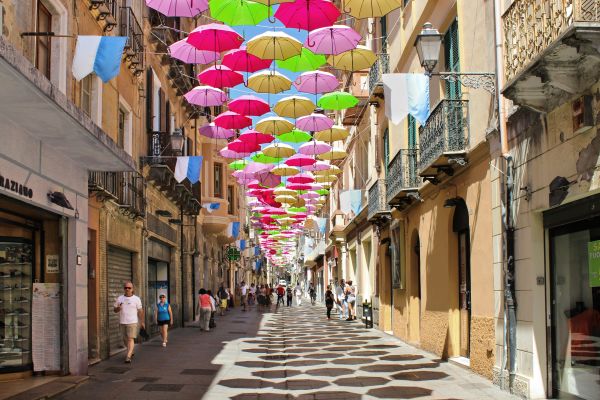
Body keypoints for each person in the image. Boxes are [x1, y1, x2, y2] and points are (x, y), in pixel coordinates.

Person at [113, 281, 144, 363]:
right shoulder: (120, 298)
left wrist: (142, 322)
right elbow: (115, 310)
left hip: (132, 322)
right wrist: (118, 309)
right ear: (124, 289)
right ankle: (131, 350)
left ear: (132, 289)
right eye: (125, 288)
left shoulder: (136, 299)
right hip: (122, 322)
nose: (127, 289)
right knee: (125, 340)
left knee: (130, 339)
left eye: (129, 288)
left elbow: (140, 311)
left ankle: (128, 356)